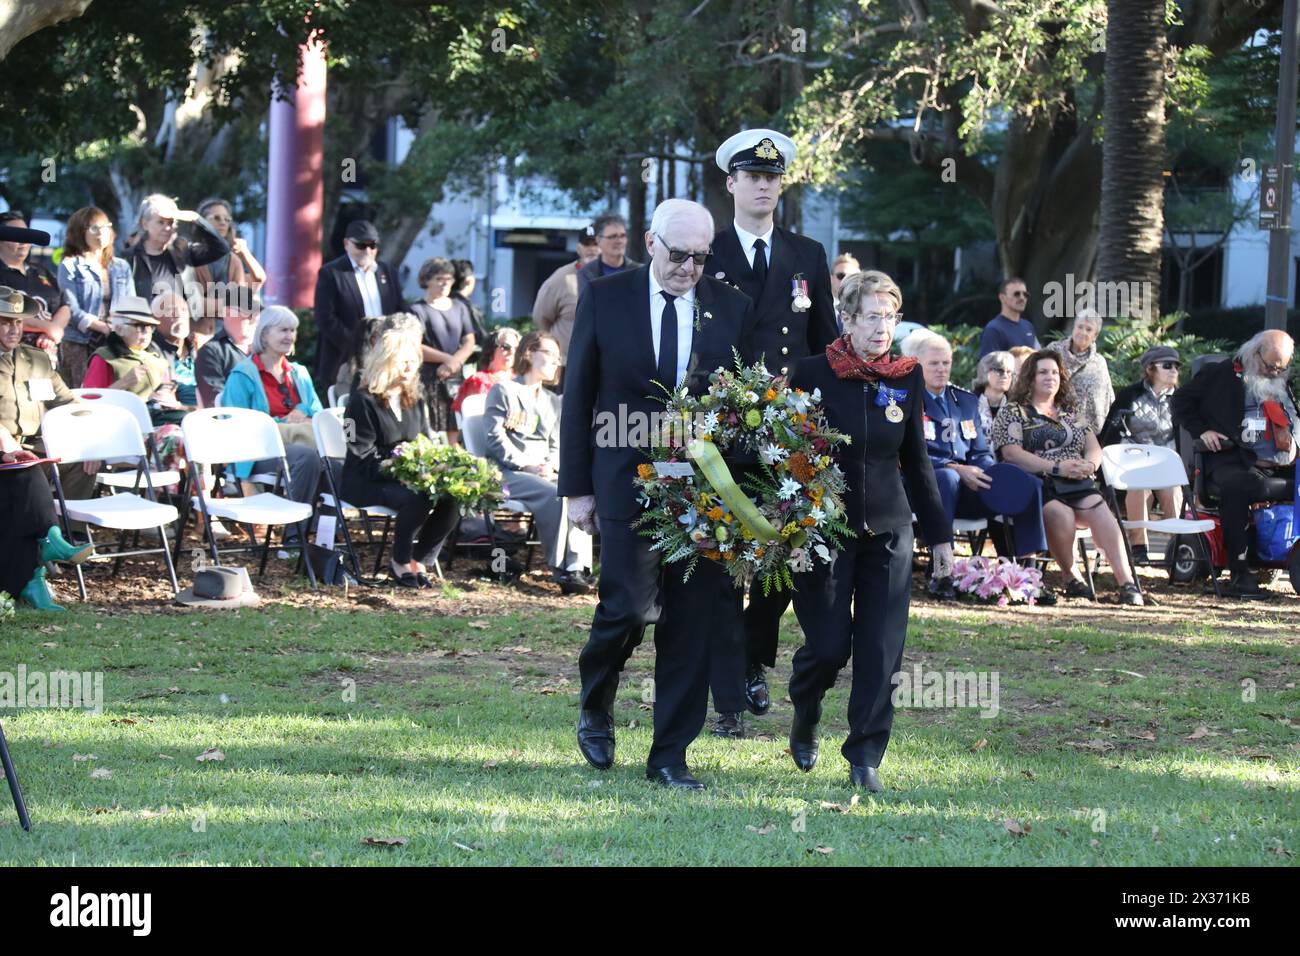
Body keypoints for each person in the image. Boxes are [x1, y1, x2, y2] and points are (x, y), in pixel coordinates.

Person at [560, 198, 756, 789]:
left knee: (692, 622)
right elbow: (579, 394)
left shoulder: (731, 307)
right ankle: (597, 700)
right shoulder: (607, 295)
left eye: (701, 258)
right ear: (651, 243)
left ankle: (669, 754)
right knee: (625, 610)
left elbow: (743, 403)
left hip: (704, 490)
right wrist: (577, 490)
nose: (689, 268)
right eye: (679, 255)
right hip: (624, 479)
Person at [785, 269, 951, 792]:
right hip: (824, 530)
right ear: (847, 318)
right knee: (829, 646)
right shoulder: (810, 372)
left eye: (890, 316)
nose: (883, 327)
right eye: (872, 316)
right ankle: (807, 703)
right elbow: (786, 455)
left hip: (890, 528)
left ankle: (864, 756)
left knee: (881, 648)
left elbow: (917, 461)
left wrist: (940, 535)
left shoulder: (906, 376)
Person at [705, 127, 840, 737]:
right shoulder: (705, 252)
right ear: (731, 183)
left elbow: (823, 342)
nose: (764, 186)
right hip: (721, 430)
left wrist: (824, 421)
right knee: (718, 558)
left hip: (789, 431)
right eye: (753, 177)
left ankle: (754, 657)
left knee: (781, 554)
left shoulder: (806, 255)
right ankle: (727, 692)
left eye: (773, 178)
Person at [991, 348, 1143, 605]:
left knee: (1102, 513)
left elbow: (1093, 446)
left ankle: (1127, 583)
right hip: (1040, 483)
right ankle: (1071, 576)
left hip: (1077, 481)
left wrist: (1090, 465)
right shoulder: (1014, 412)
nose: (1050, 377)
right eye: (1042, 372)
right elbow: (1012, 453)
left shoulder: (1071, 412)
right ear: (1030, 378)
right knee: (1060, 514)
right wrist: (1056, 468)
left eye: (1054, 372)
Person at [917, 334, 1047, 596]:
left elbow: (979, 451)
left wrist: (989, 471)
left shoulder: (964, 402)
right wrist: (956, 468)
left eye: (946, 363)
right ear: (917, 364)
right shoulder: (908, 400)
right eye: (934, 364)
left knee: (1025, 481)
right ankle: (942, 571)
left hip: (968, 487)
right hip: (926, 490)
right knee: (947, 477)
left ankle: (1028, 574)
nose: (941, 369)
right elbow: (908, 454)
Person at [1171, 330, 1296, 597]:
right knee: (1241, 484)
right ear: (1254, 354)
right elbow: (1180, 401)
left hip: (1278, 463)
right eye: (1271, 366)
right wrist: (1201, 430)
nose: (1275, 373)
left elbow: (1292, 419)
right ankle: (1239, 571)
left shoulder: (1281, 384)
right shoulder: (1220, 374)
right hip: (1231, 459)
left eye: (1281, 368)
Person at [0, 279, 99, 602]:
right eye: (4, 321)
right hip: (5, 451)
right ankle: (49, 543)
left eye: (17, 321)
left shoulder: (36, 360)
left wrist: (89, 441)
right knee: (27, 474)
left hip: (33, 447)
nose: (13, 329)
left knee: (82, 466)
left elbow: (70, 404)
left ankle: (48, 545)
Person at [341, 330, 462, 588]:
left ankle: (420, 560)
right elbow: (360, 453)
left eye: (413, 360)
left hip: (407, 474)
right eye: (402, 360)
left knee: (452, 497)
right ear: (385, 361)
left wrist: (432, 467)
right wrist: (401, 472)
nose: (410, 366)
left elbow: (423, 442)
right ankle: (400, 561)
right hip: (367, 478)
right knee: (418, 497)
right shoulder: (361, 401)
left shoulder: (414, 399)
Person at [483, 331, 594, 595]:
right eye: (550, 355)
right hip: (508, 472)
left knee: (576, 489)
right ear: (529, 353)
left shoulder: (552, 400)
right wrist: (527, 465)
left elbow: (558, 443)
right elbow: (495, 439)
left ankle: (578, 566)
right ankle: (561, 569)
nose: (557, 362)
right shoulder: (504, 390)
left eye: (559, 357)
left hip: (544, 472)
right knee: (554, 494)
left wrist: (552, 465)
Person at [217, 305, 325, 516]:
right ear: (264, 334)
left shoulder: (299, 373)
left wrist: (302, 409)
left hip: (299, 443)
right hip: (257, 451)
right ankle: (295, 536)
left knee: (334, 462)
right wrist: (282, 423)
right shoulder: (242, 375)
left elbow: (318, 412)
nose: (290, 336)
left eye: (293, 330)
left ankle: (324, 533)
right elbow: (236, 424)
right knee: (308, 458)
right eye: (283, 330)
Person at [1099, 345, 1182, 566]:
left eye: (1176, 366)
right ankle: (1138, 547)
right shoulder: (1130, 395)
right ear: (1150, 369)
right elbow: (1112, 432)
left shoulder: (1181, 400)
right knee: (1138, 488)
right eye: (1167, 365)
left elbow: (1185, 437)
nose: (1173, 370)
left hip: (1166, 464)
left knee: (1173, 490)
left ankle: (1179, 546)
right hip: (1133, 464)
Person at [313, 220, 404, 388]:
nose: (367, 251)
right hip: (345, 358)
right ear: (347, 244)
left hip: (384, 356)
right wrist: (357, 347)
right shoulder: (331, 272)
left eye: (372, 245)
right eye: (361, 245)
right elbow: (325, 318)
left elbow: (399, 311)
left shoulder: (388, 272)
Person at [56, 206, 132, 387]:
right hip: (81, 342)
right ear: (79, 232)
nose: (100, 233)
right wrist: (103, 327)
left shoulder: (121, 266)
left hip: (116, 340)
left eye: (105, 227)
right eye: (93, 228)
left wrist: (120, 327)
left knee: (114, 393)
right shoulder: (70, 266)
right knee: (85, 397)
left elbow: (131, 305)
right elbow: (70, 308)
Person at [410, 257, 476, 444]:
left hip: (455, 376)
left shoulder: (460, 307)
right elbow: (415, 345)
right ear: (426, 280)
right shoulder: (417, 310)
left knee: (456, 427)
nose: (445, 283)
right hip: (429, 377)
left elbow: (469, 340)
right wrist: (448, 359)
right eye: (439, 278)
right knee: (431, 428)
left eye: (449, 278)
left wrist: (455, 362)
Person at [124, 194, 229, 304]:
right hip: (145, 319)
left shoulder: (182, 251)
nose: (167, 228)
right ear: (145, 224)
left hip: (180, 319)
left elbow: (221, 248)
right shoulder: (130, 258)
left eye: (171, 223)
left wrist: (196, 218)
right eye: (161, 222)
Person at [0, 211, 70, 352]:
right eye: (17, 236)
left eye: (27, 235)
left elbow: (64, 306)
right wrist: (46, 326)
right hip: (8, 357)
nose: (24, 242)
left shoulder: (42, 271)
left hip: (46, 357)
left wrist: (52, 331)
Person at [534, 227, 601, 366]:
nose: (591, 249)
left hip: (603, 364)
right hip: (567, 364)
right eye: (587, 244)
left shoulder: (614, 276)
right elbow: (540, 317)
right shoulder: (561, 278)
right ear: (578, 248)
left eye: (596, 244)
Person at [1046, 309, 1114, 434]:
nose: (1083, 332)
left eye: (1089, 329)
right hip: (1054, 423)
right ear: (1073, 328)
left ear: (1095, 336)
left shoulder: (1099, 363)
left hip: (1088, 431)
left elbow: (1105, 399)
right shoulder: (1053, 351)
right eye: (1080, 327)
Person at [195, 293, 261, 408]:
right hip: (237, 421)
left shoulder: (264, 351)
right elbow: (216, 403)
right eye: (248, 313)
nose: (253, 319)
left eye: (257, 314)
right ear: (227, 313)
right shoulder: (211, 352)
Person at [196, 197, 266, 293]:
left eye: (227, 219)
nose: (223, 222)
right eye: (217, 218)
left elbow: (257, 280)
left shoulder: (232, 259)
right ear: (202, 221)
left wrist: (245, 253)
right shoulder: (192, 254)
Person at [453, 327, 521, 414]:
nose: (512, 352)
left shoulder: (521, 381)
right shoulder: (478, 380)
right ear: (491, 349)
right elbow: (470, 418)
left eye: (516, 348)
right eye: (506, 347)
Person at [576, 213, 640, 297]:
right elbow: (586, 307)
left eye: (623, 236)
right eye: (613, 237)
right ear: (599, 240)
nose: (619, 241)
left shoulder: (639, 271)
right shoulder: (587, 273)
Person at [979, 277, 1039, 357]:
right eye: (1016, 294)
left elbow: (1038, 356)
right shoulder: (993, 330)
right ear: (1002, 298)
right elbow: (988, 366)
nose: (1022, 298)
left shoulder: (1028, 326)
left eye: (1025, 294)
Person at [451, 258, 488, 364]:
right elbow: (482, 339)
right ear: (469, 280)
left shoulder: (440, 304)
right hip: (465, 363)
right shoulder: (467, 307)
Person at [974, 350, 1016, 437]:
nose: (1005, 376)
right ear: (985, 371)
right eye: (1000, 371)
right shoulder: (969, 403)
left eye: (1009, 372)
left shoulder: (1016, 406)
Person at [830, 252, 860, 328]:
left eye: (852, 276)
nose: (846, 280)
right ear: (831, 279)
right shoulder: (818, 307)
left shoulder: (867, 309)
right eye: (841, 275)